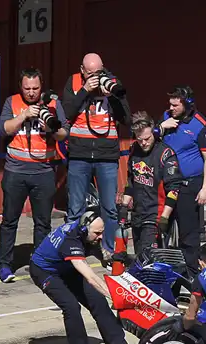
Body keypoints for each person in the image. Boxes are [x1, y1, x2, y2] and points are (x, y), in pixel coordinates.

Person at [29, 206, 131, 344]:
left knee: (97, 301)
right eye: (97, 233)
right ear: (84, 230)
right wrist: (114, 296)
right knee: (71, 307)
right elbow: (91, 277)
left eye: (102, 232)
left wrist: (115, 258)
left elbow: (100, 252)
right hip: (44, 272)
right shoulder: (71, 240)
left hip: (66, 267)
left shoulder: (88, 231)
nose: (101, 237)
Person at [0, 67, 68, 283]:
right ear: (21, 87)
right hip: (15, 170)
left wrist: (51, 128)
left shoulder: (53, 103)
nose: (31, 92)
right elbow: (4, 129)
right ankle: (5, 265)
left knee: (43, 222)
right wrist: (24, 115)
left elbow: (64, 133)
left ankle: (41, 265)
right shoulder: (12, 102)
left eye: (35, 88)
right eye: (27, 88)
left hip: (44, 171)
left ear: (41, 86)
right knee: (10, 220)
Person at [61, 52, 130, 267]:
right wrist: (85, 91)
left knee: (109, 206)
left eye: (98, 72)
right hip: (80, 154)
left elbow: (126, 118)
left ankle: (108, 251)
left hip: (106, 155)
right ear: (82, 71)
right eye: (90, 73)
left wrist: (112, 95)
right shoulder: (73, 82)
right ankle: (73, 251)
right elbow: (67, 112)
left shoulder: (112, 82)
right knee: (75, 208)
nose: (95, 76)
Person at [158, 85, 206, 278]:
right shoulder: (166, 117)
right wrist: (161, 127)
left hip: (188, 185)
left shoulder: (201, 125)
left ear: (187, 104)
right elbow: (147, 138)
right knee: (162, 230)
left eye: (175, 104)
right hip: (165, 184)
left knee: (188, 235)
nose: (171, 107)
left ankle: (193, 276)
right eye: (170, 103)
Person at [120, 111, 184, 263]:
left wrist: (164, 217)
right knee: (139, 259)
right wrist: (123, 207)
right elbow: (131, 181)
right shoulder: (134, 149)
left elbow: (174, 189)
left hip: (155, 217)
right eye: (139, 139)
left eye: (147, 138)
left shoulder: (165, 154)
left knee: (150, 260)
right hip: (137, 215)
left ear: (153, 131)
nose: (143, 143)